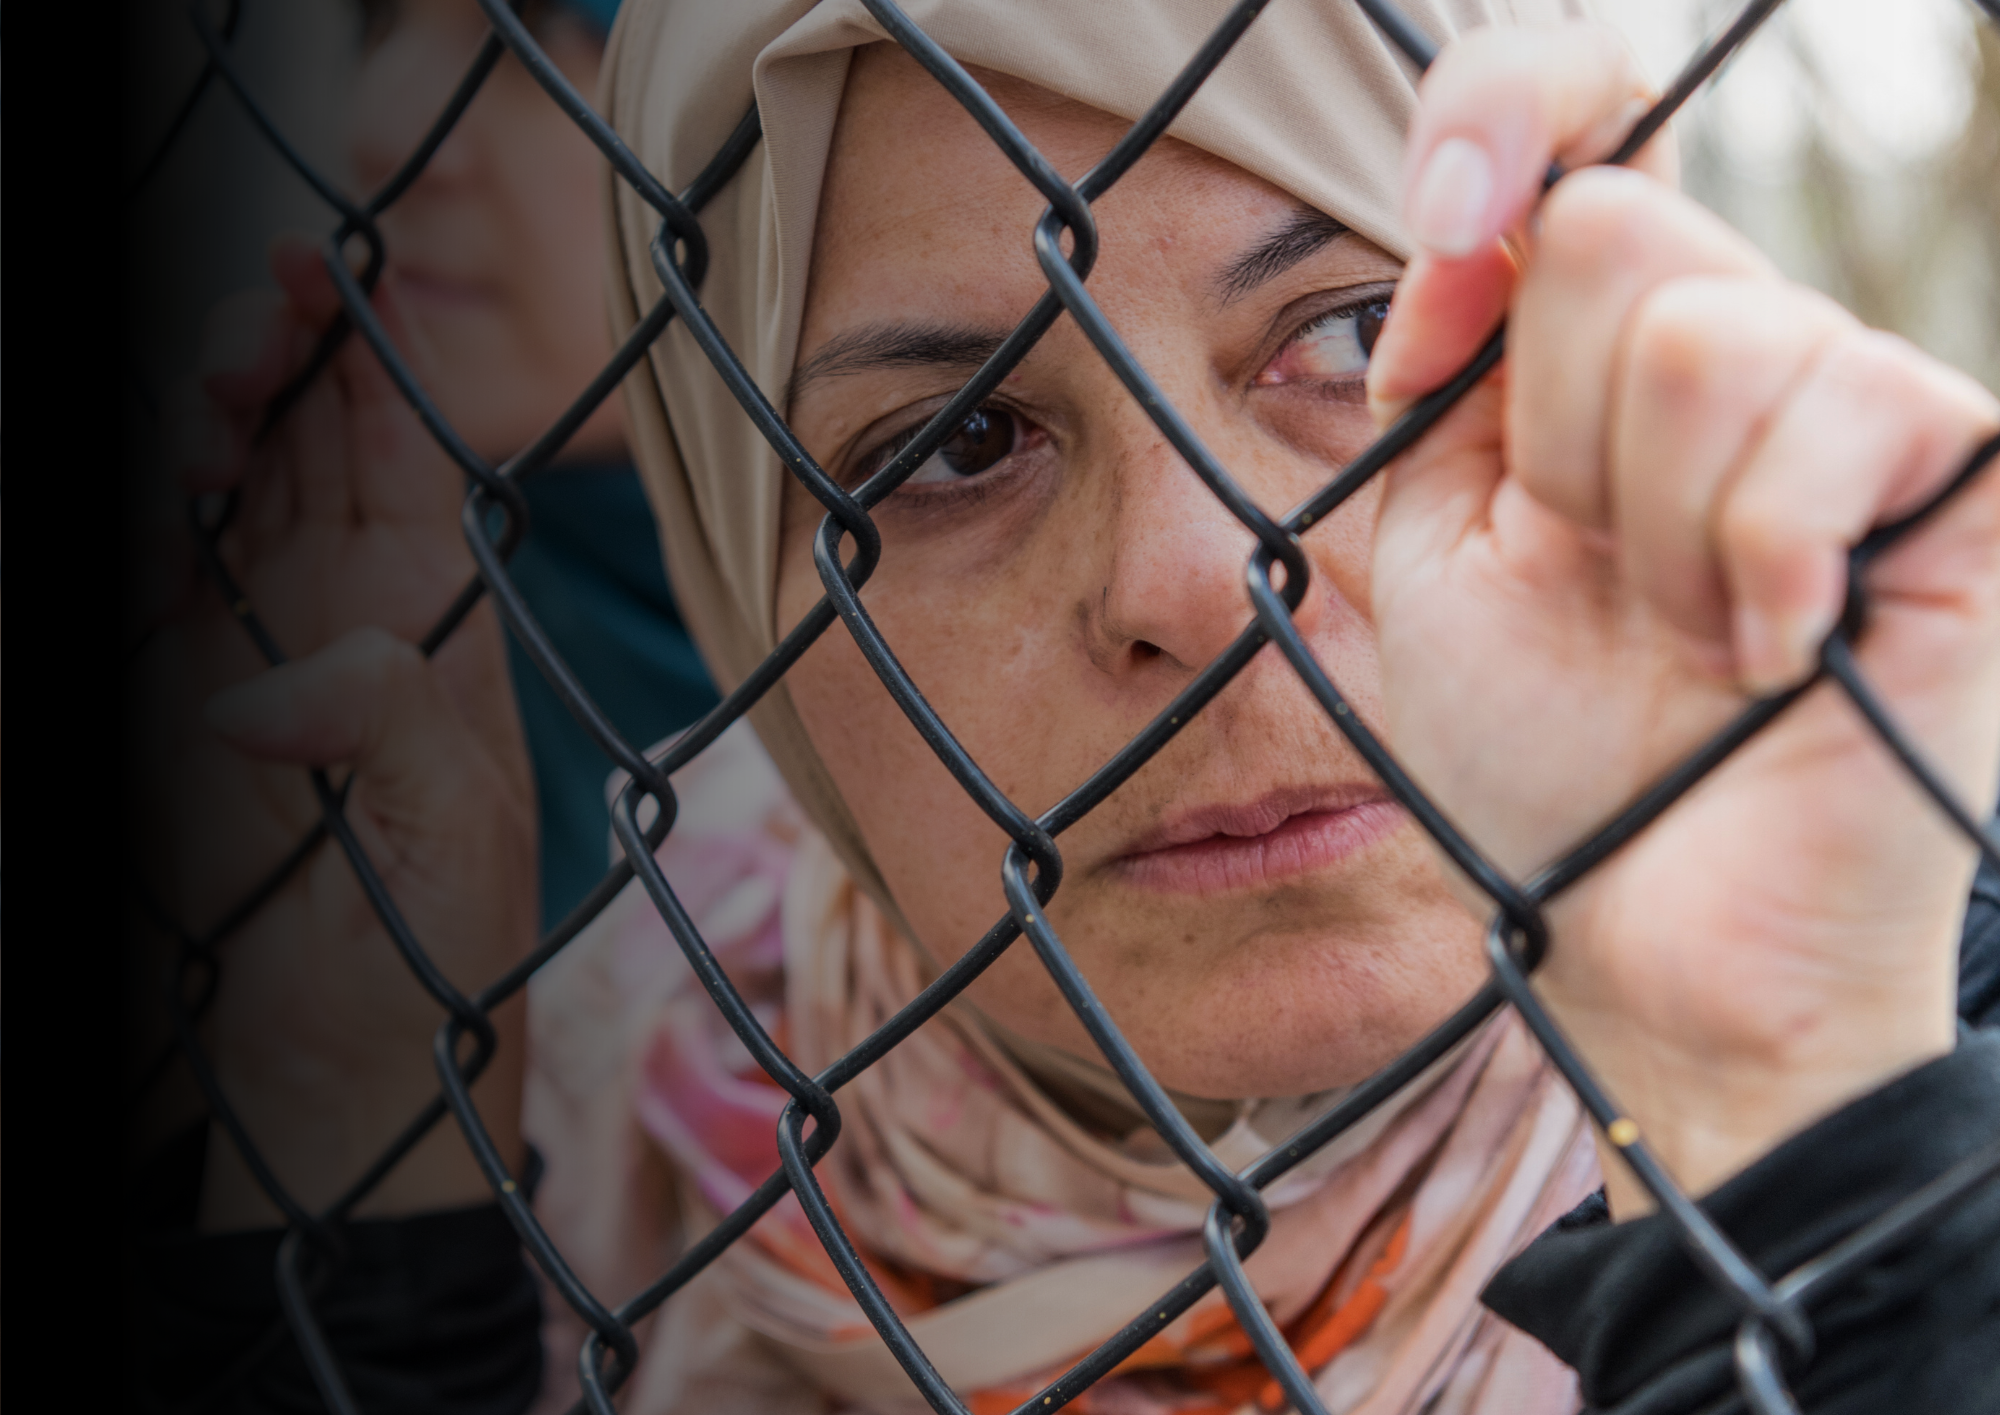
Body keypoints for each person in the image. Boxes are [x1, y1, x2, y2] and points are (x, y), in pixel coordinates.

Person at [137, 0, 2000, 1412]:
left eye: (1358, 336)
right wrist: (350, 1133)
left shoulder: (1927, 1026)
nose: (1196, 582)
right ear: (742, 567)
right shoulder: (634, 1067)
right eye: (956, 442)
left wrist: (1797, 1142)